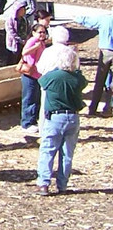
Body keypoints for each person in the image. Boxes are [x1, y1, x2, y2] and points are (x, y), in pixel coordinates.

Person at [35, 48, 87, 195]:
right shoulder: (78, 79)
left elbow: (41, 81)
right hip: (73, 117)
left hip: (55, 117)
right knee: (67, 153)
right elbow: (83, 81)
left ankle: (43, 183)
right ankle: (62, 185)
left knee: (48, 150)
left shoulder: (52, 76)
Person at [73, 3, 113, 116]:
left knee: (100, 81)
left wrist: (77, 18)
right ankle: (108, 108)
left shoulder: (104, 19)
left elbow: (89, 21)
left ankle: (93, 108)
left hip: (105, 51)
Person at [18, 22, 49, 136]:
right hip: (29, 74)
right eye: (40, 32)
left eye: (44, 32)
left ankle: (33, 120)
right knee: (29, 98)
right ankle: (26, 123)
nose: (42, 34)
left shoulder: (42, 43)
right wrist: (36, 46)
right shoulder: (33, 41)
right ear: (33, 32)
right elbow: (24, 52)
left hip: (37, 74)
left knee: (36, 98)